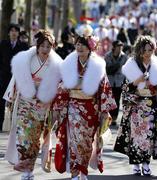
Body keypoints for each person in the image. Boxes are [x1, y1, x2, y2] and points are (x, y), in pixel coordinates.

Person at [52, 26, 117, 180]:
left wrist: (105, 110)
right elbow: (62, 87)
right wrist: (58, 107)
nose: (79, 47)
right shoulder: (69, 63)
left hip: (91, 108)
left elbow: (105, 87)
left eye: (82, 44)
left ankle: (84, 170)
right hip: (74, 106)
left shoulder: (97, 65)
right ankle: (75, 172)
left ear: (90, 48)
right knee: (75, 140)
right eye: (77, 44)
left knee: (87, 142)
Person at [3, 30, 62, 180]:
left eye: (48, 46)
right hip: (25, 101)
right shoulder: (26, 59)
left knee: (35, 139)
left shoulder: (56, 64)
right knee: (23, 136)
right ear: (37, 46)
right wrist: (10, 98)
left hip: (42, 104)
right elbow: (17, 78)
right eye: (42, 46)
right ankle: (24, 167)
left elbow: (59, 84)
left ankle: (29, 170)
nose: (45, 49)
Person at [114, 35, 157, 176]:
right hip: (136, 106)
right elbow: (124, 88)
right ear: (139, 50)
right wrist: (138, 81)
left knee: (149, 136)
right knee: (136, 136)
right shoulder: (131, 66)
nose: (148, 53)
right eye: (145, 50)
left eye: (151, 50)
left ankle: (146, 163)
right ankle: (136, 164)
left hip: (151, 106)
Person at [0, 24, 29, 131]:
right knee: (1, 101)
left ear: (18, 33)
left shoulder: (24, 46)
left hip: (17, 78)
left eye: (16, 31)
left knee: (16, 101)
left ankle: (15, 126)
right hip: (3, 78)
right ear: (8, 33)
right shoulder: (3, 44)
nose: (13, 33)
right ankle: (1, 125)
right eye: (11, 30)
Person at [104, 40, 128, 125]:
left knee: (117, 99)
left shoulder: (124, 57)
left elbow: (127, 70)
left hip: (119, 81)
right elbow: (106, 69)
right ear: (114, 46)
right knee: (109, 99)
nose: (120, 47)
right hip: (110, 81)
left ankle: (114, 118)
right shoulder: (107, 56)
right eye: (118, 46)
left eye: (121, 46)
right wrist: (117, 65)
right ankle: (109, 116)